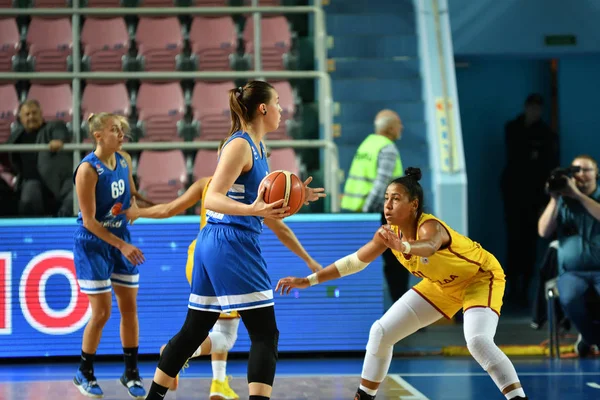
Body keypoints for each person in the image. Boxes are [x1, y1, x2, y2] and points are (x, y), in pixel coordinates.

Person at [142, 80, 325, 400]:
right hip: (231, 243)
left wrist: (295, 198)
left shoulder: (259, 149)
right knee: (265, 335)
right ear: (263, 108)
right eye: (278, 103)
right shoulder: (239, 145)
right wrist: (251, 208)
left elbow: (271, 218)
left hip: (215, 244)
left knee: (194, 331)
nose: (283, 109)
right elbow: (212, 197)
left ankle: (153, 397)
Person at [277, 167, 528, 400]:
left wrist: (404, 246)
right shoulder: (387, 233)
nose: (387, 205)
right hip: (441, 286)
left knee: (477, 341)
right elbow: (354, 262)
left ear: (413, 204)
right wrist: (308, 281)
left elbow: (428, 247)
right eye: (386, 198)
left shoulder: (430, 227)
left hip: (480, 278)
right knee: (381, 332)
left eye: (395, 199)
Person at [72, 112, 146, 399]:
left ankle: (131, 372)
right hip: (93, 243)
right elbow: (89, 221)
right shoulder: (88, 170)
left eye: (122, 130)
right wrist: (122, 245)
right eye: (114, 130)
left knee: (129, 308)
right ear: (98, 135)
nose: (121, 134)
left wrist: (137, 207)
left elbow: (131, 196)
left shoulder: (124, 161)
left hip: (119, 238)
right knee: (101, 312)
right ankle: (84, 371)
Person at [340, 109, 407, 304]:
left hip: (359, 212)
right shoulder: (387, 148)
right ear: (391, 127)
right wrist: (371, 213)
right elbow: (382, 184)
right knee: (397, 264)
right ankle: (404, 313)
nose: (401, 127)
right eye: (399, 124)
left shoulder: (367, 145)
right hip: (379, 214)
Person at [538, 154, 600, 357]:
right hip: (572, 272)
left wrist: (578, 196)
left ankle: (589, 340)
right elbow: (543, 231)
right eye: (576, 171)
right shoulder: (562, 202)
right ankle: (591, 339)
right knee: (570, 297)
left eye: (586, 170)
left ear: (596, 173)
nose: (581, 175)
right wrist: (555, 199)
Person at [501, 93, 559, 306]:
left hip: (535, 197)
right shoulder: (513, 128)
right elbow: (517, 155)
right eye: (531, 107)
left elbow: (546, 163)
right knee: (513, 242)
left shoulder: (546, 134)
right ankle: (512, 289)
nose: (534, 111)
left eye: (538, 108)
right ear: (526, 107)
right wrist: (532, 154)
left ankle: (524, 290)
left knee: (530, 244)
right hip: (514, 195)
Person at [6, 99, 74, 216]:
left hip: (57, 184)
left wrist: (59, 141)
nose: (31, 117)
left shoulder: (53, 126)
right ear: (21, 118)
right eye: (27, 114)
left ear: (41, 114)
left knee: (77, 193)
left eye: (34, 113)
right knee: (30, 191)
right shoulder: (16, 136)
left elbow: (61, 134)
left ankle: (61, 226)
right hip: (30, 184)